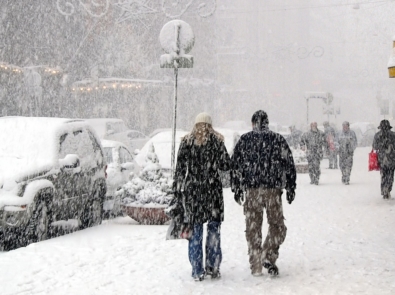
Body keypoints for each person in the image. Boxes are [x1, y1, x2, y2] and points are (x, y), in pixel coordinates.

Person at [230, 110, 296, 277]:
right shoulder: (277, 139)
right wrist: (290, 186)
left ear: (253, 123)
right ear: (267, 122)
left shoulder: (245, 140)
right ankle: (268, 253)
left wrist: (237, 187)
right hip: (272, 190)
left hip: (252, 191)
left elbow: (235, 165)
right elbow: (289, 164)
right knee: (278, 226)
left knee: (253, 229)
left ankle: (256, 264)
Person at [172, 112, 231, 281]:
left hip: (194, 193)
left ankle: (197, 269)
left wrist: (177, 189)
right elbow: (226, 165)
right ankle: (212, 267)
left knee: (195, 231)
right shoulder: (216, 142)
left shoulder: (186, 142)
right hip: (212, 192)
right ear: (210, 125)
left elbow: (180, 170)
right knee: (213, 231)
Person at [372, 119, 395, 199]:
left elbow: (374, 146)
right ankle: (388, 189)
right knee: (390, 175)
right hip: (391, 159)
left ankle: (384, 189)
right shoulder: (393, 135)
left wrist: (381, 146)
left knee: (383, 175)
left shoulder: (377, 135)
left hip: (382, 159)